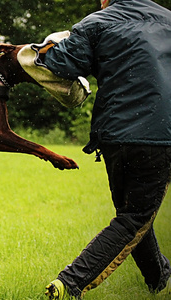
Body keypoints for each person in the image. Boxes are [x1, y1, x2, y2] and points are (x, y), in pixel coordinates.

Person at [41, 0, 171, 299]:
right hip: (160, 134)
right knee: (135, 216)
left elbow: (61, 64)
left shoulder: (96, 22)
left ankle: (159, 278)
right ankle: (69, 283)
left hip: (116, 136)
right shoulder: (167, 20)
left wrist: (50, 44)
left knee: (132, 212)